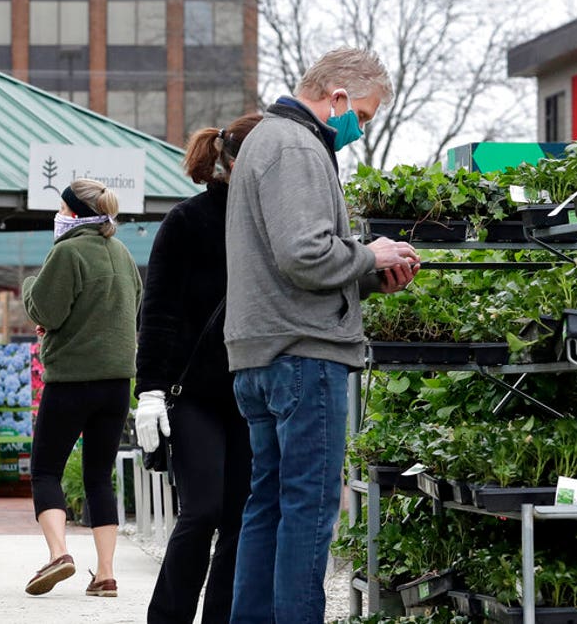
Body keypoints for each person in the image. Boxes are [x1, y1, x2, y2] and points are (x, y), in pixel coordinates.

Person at [223, 48, 419, 622]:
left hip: (263, 354)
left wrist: (368, 276)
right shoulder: (296, 147)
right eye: (365, 112)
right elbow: (304, 255)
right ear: (336, 98)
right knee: (308, 509)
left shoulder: (264, 140)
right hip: (303, 357)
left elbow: (286, 261)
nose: (364, 124)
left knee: (268, 506)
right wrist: (371, 252)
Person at [135, 113, 262, 624]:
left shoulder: (270, 221)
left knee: (239, 519)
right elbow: (158, 310)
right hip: (192, 394)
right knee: (203, 510)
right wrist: (150, 390)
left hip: (254, 388)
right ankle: (167, 616)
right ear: (234, 160)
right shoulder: (187, 221)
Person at [22, 178, 142, 599]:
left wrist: (29, 289)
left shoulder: (68, 250)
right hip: (116, 384)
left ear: (72, 212)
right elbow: (129, 307)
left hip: (71, 380)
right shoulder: (123, 253)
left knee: (46, 470)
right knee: (98, 477)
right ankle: (106, 573)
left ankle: (59, 554)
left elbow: (45, 309)